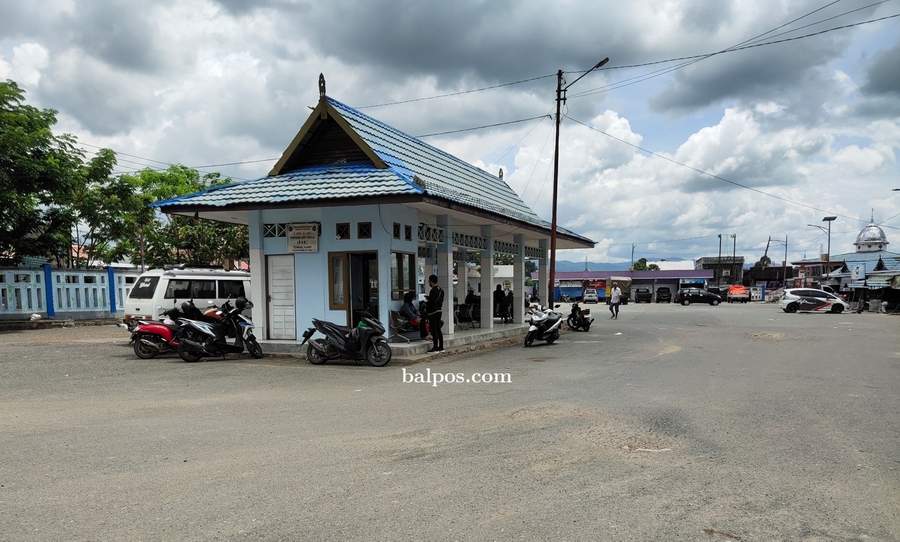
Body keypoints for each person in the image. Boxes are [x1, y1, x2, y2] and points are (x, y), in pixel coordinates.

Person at [425, 274, 444, 352]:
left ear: (431, 281)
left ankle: (435, 347)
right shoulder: (441, 290)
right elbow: (439, 301)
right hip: (439, 311)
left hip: (433, 312)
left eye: (429, 281)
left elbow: (432, 302)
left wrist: (427, 301)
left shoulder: (433, 290)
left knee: (434, 330)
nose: (429, 283)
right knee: (438, 329)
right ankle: (441, 347)